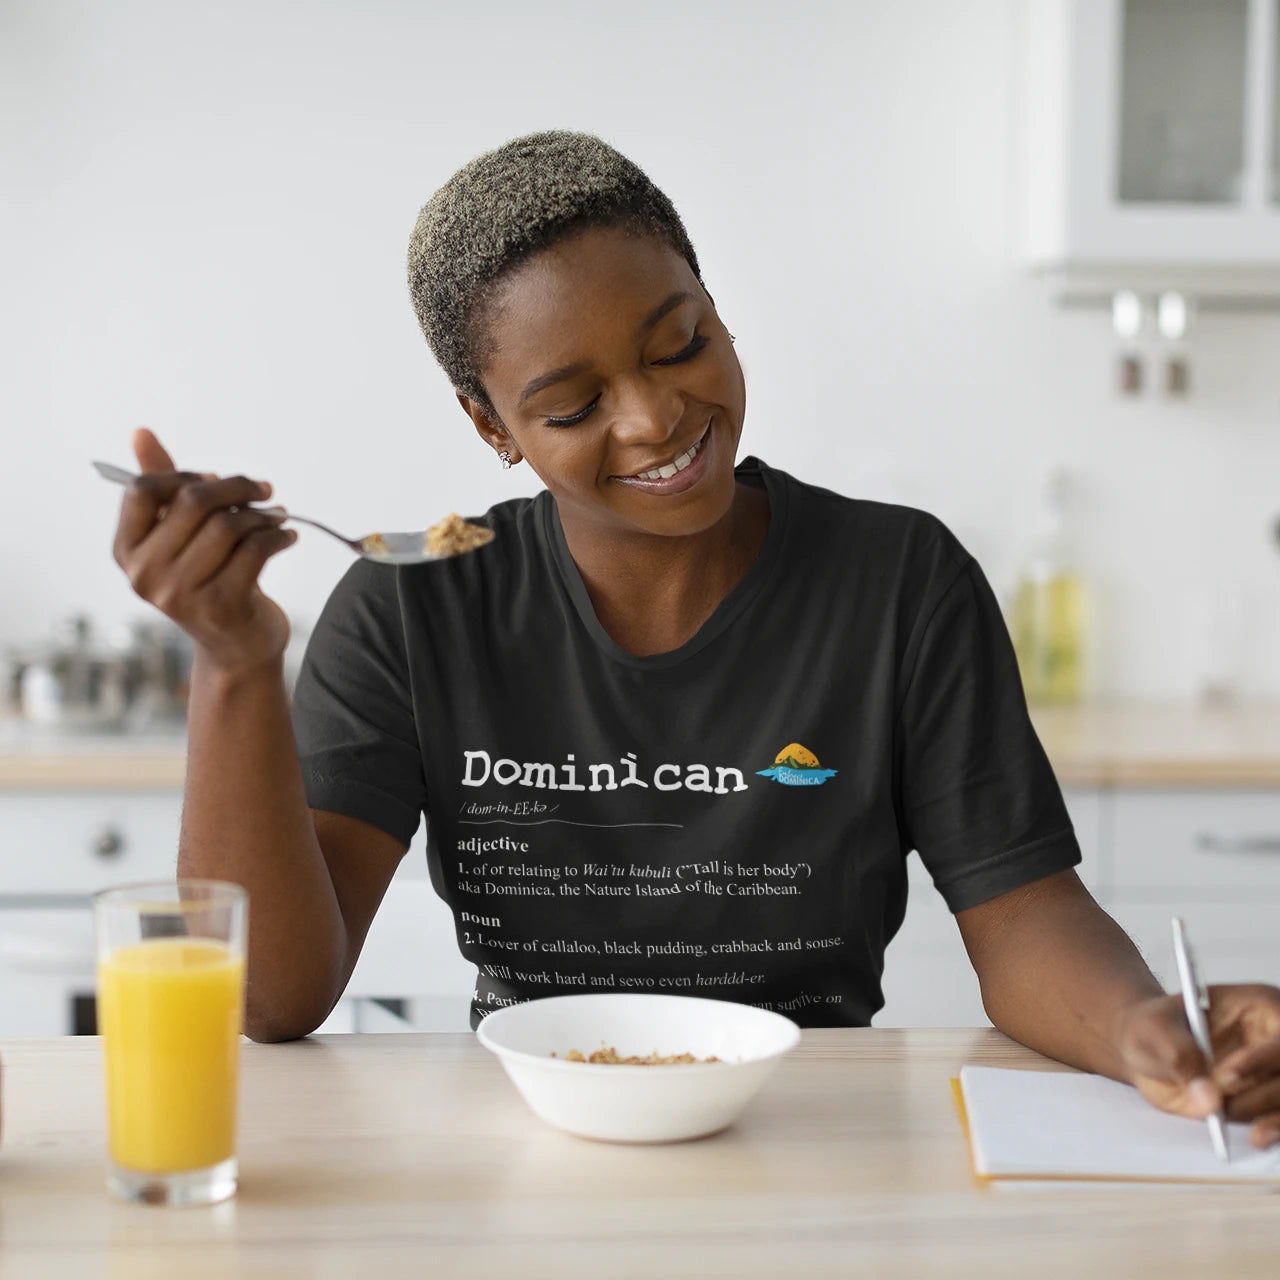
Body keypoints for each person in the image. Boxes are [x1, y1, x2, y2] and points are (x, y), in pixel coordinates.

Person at [112, 130, 1280, 1147]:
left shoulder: (898, 580)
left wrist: (1142, 1027)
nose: (655, 416)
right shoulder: (416, 604)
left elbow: (1021, 910)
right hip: (528, 1146)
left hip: (816, 1126)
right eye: (570, 406)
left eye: (679, 343)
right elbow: (273, 998)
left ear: (715, 308)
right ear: (490, 423)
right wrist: (233, 663)